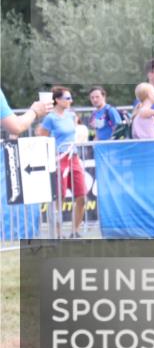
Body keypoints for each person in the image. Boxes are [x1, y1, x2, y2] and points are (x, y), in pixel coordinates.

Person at [36, 86, 87, 238]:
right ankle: (58, 233)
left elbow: (76, 132)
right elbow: (42, 136)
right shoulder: (50, 118)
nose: (71, 101)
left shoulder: (71, 115)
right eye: (67, 98)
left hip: (74, 157)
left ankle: (75, 231)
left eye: (71, 98)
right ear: (57, 100)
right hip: (59, 158)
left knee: (82, 196)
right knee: (60, 197)